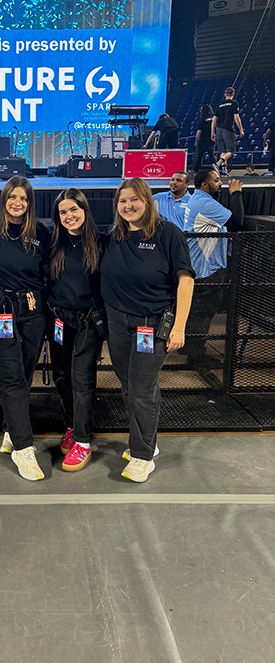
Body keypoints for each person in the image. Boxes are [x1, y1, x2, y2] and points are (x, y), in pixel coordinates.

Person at [101, 178, 194, 483]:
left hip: (151, 325)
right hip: (117, 323)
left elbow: (186, 281)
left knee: (141, 388)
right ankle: (147, 442)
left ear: (147, 201)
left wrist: (179, 327)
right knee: (130, 385)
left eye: (134, 200)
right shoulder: (113, 236)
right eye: (122, 201)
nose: (128, 206)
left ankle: (142, 455)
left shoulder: (169, 234)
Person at [0, 176, 51, 481]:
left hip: (34, 310)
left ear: (30, 203)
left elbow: (50, 270)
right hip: (3, 310)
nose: (17, 203)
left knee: (24, 375)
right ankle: (24, 450)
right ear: (4, 199)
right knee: (10, 377)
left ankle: (12, 429)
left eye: (23, 198)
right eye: (12, 197)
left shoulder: (42, 233)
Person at [47, 188, 104, 473]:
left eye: (74, 209)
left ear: (84, 209)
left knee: (82, 379)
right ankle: (71, 426)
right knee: (62, 377)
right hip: (58, 320)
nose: (69, 216)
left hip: (88, 321)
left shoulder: (102, 242)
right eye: (63, 212)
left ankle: (83, 441)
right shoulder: (52, 241)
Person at [183, 170, 244, 364]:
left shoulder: (201, 199)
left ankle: (190, 347)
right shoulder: (204, 202)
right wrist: (236, 193)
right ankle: (196, 356)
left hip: (202, 265)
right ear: (204, 185)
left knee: (197, 310)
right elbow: (237, 222)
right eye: (216, 180)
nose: (221, 184)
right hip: (204, 267)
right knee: (203, 310)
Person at [211, 87, 244, 175]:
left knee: (223, 152)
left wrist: (212, 133)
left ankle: (224, 171)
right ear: (233, 94)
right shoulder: (234, 103)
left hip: (219, 130)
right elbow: (236, 117)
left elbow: (214, 120)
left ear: (225, 94)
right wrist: (241, 129)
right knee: (230, 151)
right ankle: (218, 163)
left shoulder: (219, 105)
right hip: (228, 129)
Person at [193, 104, 216, 174]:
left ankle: (196, 170)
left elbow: (199, 131)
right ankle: (216, 168)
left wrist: (196, 141)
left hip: (203, 140)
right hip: (211, 140)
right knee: (212, 155)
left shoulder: (202, 119)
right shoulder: (213, 118)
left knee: (200, 155)